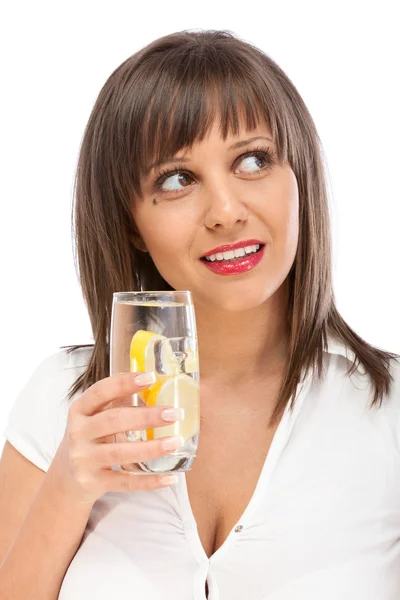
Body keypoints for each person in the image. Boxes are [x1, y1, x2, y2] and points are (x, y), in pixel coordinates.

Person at [0, 28, 399, 600]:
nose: (227, 210)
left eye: (253, 160)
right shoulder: (61, 400)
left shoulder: (388, 415)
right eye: (177, 179)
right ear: (130, 224)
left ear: (300, 181)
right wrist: (68, 486)